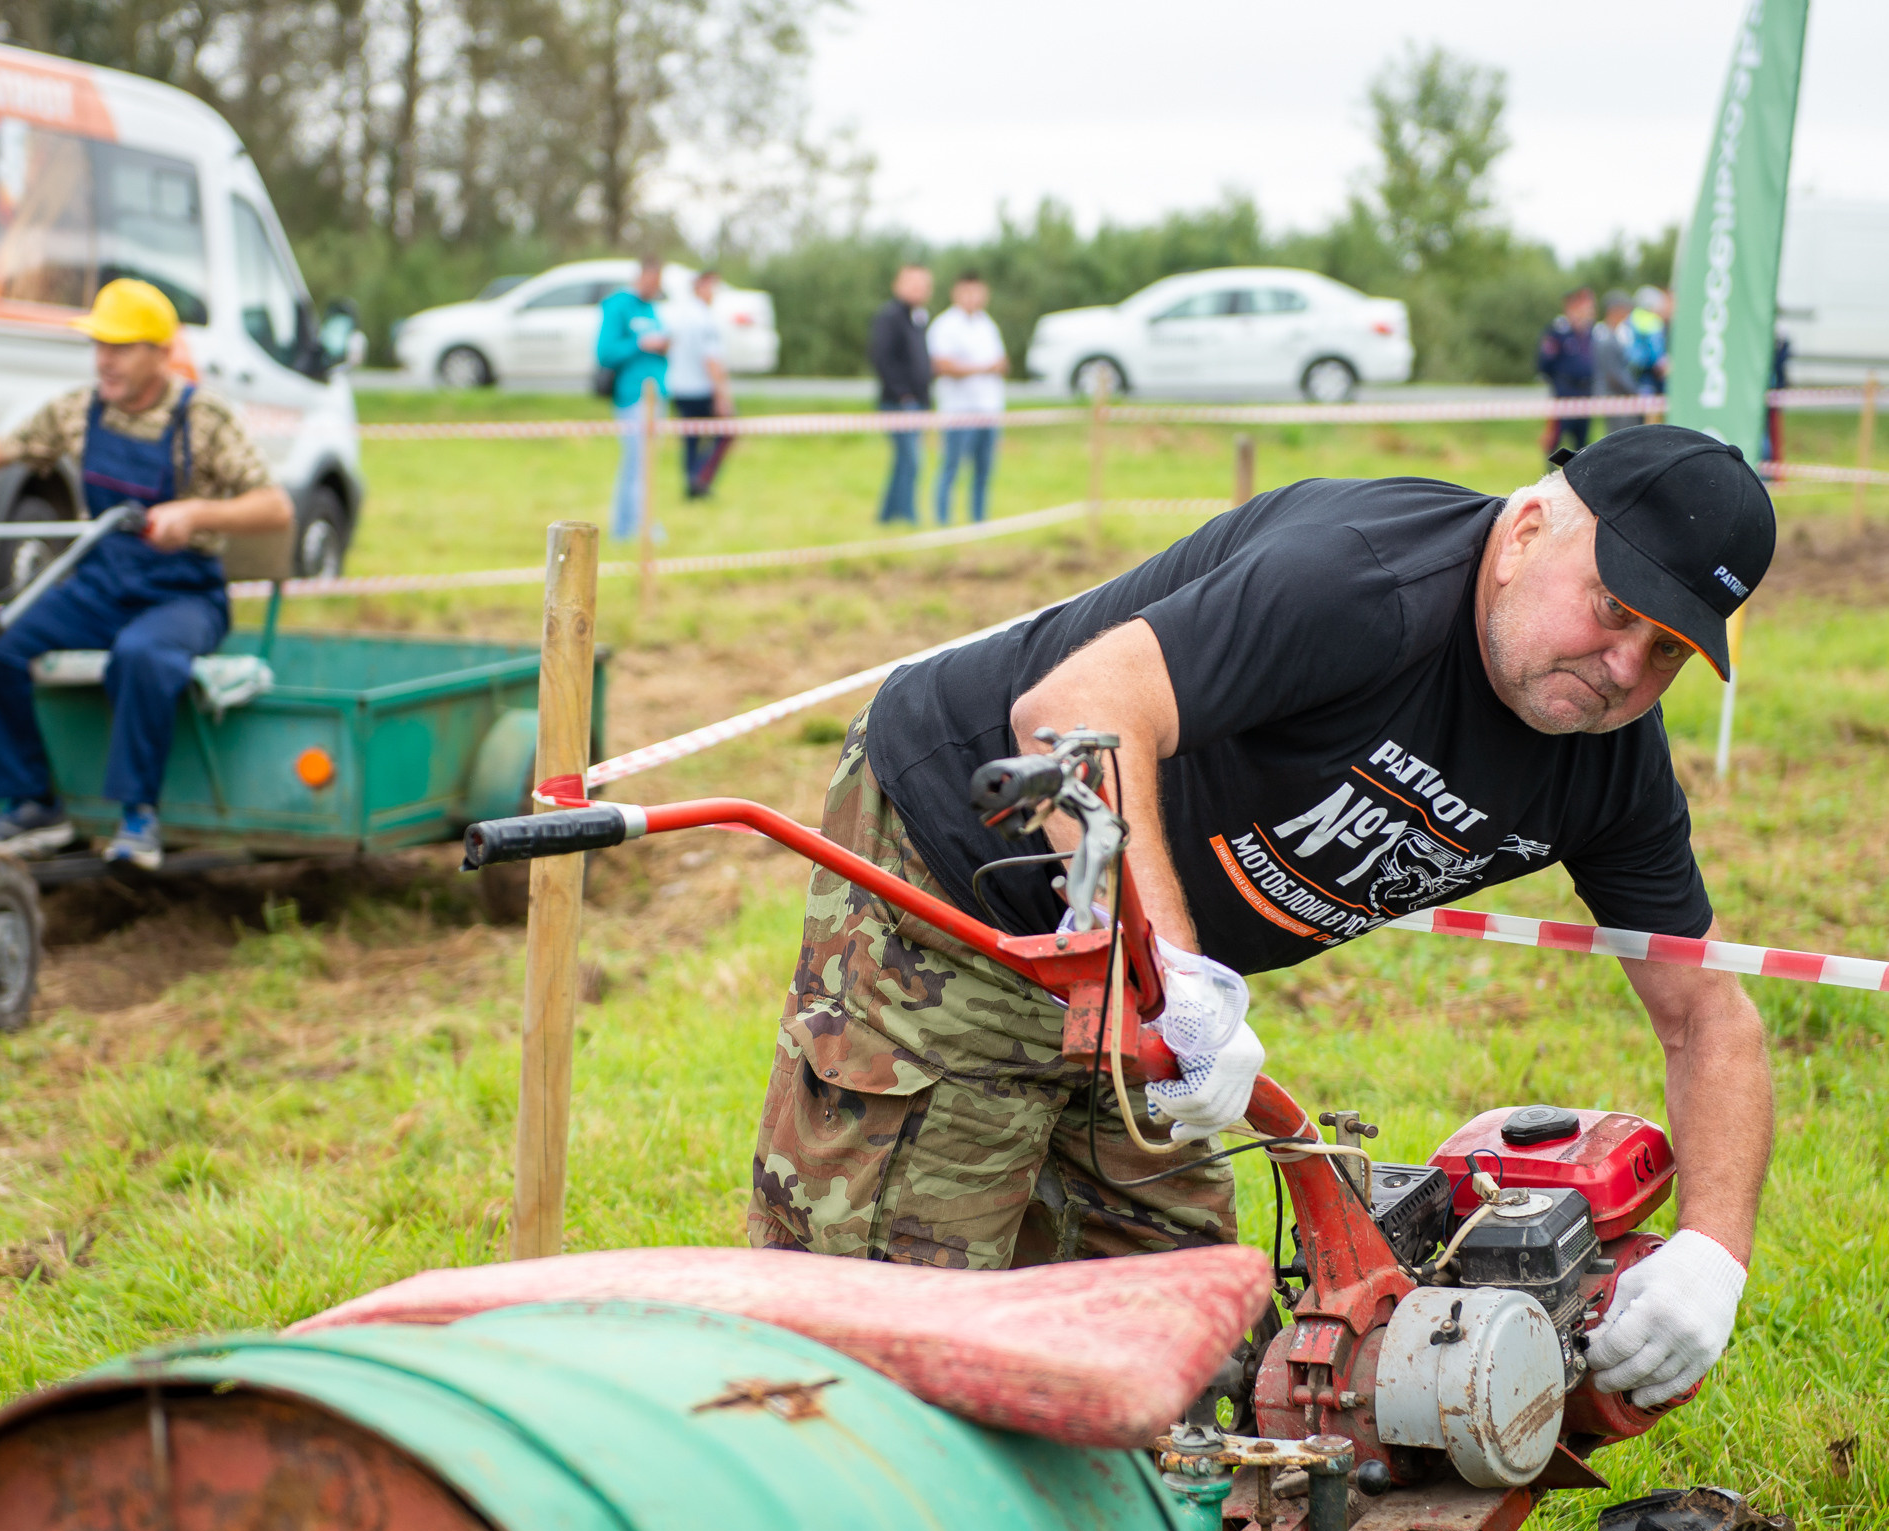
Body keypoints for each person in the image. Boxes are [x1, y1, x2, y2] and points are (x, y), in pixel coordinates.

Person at [750, 423, 1779, 1413]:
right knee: (896, 1337)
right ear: (1524, 536)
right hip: (963, 868)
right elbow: (1068, 718)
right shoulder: (1363, 583)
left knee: (1194, 1351)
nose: (1623, 667)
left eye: (1666, 650)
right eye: (1612, 608)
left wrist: (1712, 1255)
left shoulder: (1610, 767)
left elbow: (1706, 1017)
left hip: (1145, 964)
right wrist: (1184, 985)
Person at [0, 279, 293, 871]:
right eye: (99, 345)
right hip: (99, 587)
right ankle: (33, 804)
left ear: (160, 353)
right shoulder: (78, 411)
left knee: (142, 656)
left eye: (119, 347)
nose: (104, 360)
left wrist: (195, 514)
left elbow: (276, 508)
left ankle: (139, 817)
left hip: (182, 594)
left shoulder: (205, 419)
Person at [597, 255, 671, 541]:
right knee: (638, 464)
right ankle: (642, 527)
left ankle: (624, 528)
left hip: (655, 394)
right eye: (653, 281)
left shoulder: (650, 307)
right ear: (642, 276)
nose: (656, 287)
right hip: (632, 395)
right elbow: (605, 352)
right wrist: (641, 344)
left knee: (639, 464)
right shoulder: (618, 305)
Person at [928, 269, 1010, 523]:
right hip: (958, 410)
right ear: (956, 293)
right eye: (967, 292)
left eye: (977, 292)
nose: (973, 297)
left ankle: (979, 522)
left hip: (989, 410)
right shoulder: (945, 325)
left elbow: (1001, 363)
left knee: (984, 471)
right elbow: (942, 365)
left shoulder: (988, 324)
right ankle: (943, 522)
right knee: (951, 468)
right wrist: (983, 368)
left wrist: (991, 367)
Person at [868, 265, 935, 524]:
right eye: (913, 283)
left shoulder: (917, 317)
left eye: (923, 285)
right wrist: (903, 393)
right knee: (910, 460)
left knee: (904, 462)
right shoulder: (889, 316)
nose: (919, 289)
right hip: (899, 403)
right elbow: (881, 358)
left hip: (917, 402)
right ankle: (907, 517)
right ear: (898, 285)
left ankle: (887, 516)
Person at [663, 268, 734, 499]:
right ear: (701, 287)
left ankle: (691, 483)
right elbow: (711, 360)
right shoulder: (704, 319)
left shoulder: (681, 315)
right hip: (700, 389)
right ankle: (699, 480)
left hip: (679, 387)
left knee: (691, 439)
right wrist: (722, 395)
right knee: (727, 431)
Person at [1536, 285, 1597, 463]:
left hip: (1585, 391)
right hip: (1564, 390)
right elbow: (1545, 362)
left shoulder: (1591, 333)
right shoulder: (1558, 331)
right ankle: (1549, 472)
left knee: (1582, 441)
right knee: (1555, 437)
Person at [1592, 289, 1640, 405]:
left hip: (1621, 395)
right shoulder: (1603, 335)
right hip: (1613, 397)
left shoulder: (1621, 332)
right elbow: (1613, 373)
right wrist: (1634, 389)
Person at [1628, 286, 1671, 395]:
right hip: (1650, 369)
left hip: (1636, 368)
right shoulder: (1652, 321)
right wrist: (1662, 362)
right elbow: (1655, 346)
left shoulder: (1633, 317)